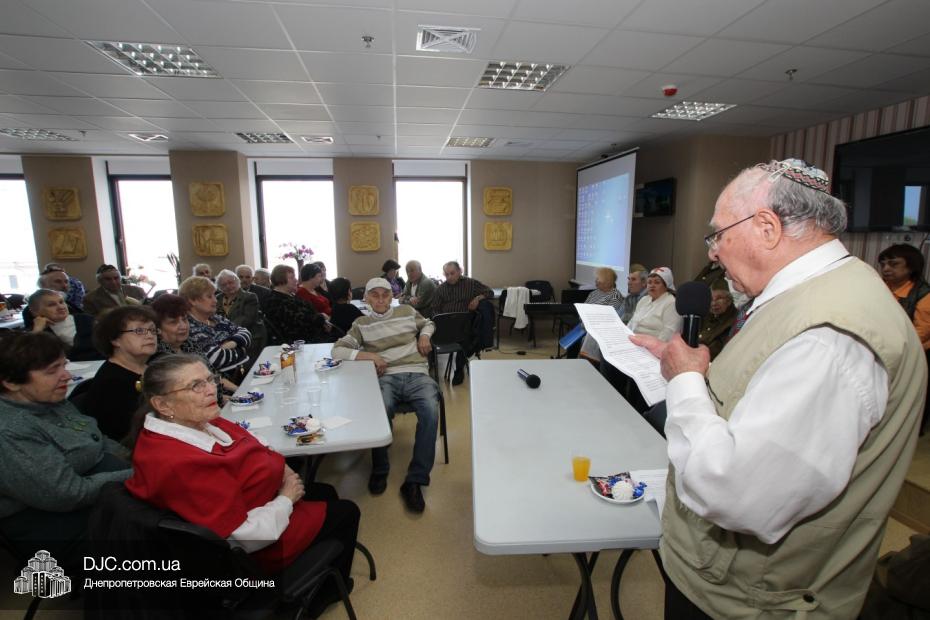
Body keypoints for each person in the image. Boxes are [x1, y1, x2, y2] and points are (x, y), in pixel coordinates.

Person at [631, 159, 926, 619]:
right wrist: (684, 370)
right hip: (725, 583)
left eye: (718, 235)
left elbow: (737, 494)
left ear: (766, 228)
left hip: (749, 602)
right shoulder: (812, 295)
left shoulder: (829, 337)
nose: (713, 253)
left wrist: (686, 381)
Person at [125, 354, 359, 610]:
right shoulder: (179, 462)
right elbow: (241, 537)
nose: (211, 389)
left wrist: (281, 468)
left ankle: (317, 572)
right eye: (196, 386)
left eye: (210, 379)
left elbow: (251, 439)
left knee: (324, 491)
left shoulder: (195, 420)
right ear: (163, 404)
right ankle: (323, 596)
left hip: (261, 502)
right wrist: (286, 498)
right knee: (347, 512)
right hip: (252, 551)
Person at [0, 331, 130, 569]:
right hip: (61, 528)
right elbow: (67, 493)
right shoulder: (9, 431)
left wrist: (135, 460)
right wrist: (138, 474)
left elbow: (96, 437)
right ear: (11, 382)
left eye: (64, 365)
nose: (67, 376)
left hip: (102, 497)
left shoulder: (49, 401)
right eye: (52, 370)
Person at [332, 278, 438, 513]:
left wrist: (424, 336)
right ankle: (380, 469)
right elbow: (338, 350)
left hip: (417, 374)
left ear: (392, 296)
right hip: (386, 377)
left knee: (431, 411)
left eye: (385, 294)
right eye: (375, 295)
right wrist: (371, 356)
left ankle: (415, 480)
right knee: (382, 409)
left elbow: (429, 323)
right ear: (366, 298)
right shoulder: (361, 323)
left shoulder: (407, 311)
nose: (380, 300)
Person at [80, 306, 158, 442]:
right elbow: (129, 433)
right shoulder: (111, 383)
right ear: (115, 340)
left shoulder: (153, 366)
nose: (150, 335)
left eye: (152, 330)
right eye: (139, 331)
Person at [878, 243, 930, 435]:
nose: (886, 269)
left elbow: (920, 333)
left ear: (911, 267)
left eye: (893, 264)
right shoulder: (880, 287)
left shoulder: (925, 295)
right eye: (883, 264)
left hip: (918, 352)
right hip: (887, 347)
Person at [150, 294, 239, 395]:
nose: (183, 326)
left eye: (184, 319)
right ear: (158, 329)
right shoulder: (160, 357)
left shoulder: (190, 344)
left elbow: (213, 375)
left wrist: (237, 390)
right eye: (173, 322)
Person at [178, 276, 251, 383]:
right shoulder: (190, 327)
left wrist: (232, 343)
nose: (215, 300)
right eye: (209, 296)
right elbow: (216, 359)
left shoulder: (216, 318)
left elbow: (246, 333)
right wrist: (242, 350)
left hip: (245, 372)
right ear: (193, 300)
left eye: (214, 295)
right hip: (226, 383)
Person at [434, 261, 493, 385]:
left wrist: (477, 298)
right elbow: (435, 309)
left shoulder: (470, 283)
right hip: (447, 323)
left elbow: (489, 292)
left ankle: (459, 368)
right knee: (464, 336)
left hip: (465, 322)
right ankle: (465, 357)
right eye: (446, 274)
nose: (449, 277)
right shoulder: (440, 289)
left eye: (452, 273)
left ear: (460, 271)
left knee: (465, 334)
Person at [262, 265, 333, 344]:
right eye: (292, 277)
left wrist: (323, 320)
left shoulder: (289, 296)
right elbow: (302, 320)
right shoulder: (276, 301)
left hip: (311, 336)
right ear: (281, 280)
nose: (296, 280)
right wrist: (322, 318)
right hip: (300, 342)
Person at [29, 288, 100, 361]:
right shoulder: (39, 331)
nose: (60, 307)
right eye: (51, 305)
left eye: (61, 302)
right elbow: (30, 356)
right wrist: (37, 330)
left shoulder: (86, 320)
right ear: (35, 311)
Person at [215, 269, 267, 359]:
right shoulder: (217, 299)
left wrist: (226, 330)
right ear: (220, 287)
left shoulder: (249, 297)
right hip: (224, 339)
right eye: (224, 284)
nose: (228, 286)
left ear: (237, 282)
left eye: (230, 282)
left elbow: (247, 319)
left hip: (250, 337)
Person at [627, 267, 682, 341]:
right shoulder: (644, 300)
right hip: (633, 341)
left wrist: (652, 346)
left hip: (653, 345)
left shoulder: (671, 303)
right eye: (649, 282)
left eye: (657, 282)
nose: (652, 285)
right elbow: (631, 323)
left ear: (666, 286)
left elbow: (669, 333)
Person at [696, 284, 737, 360]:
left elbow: (717, 349)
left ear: (729, 301)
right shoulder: (704, 314)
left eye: (719, 298)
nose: (714, 303)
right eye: (711, 299)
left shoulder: (734, 321)